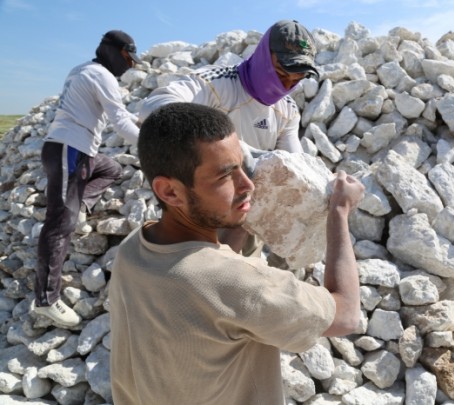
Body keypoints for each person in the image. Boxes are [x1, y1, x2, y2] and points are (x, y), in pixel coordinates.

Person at [109, 103, 364, 404]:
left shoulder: (133, 251)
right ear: (170, 192)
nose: (247, 184)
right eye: (225, 176)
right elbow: (346, 314)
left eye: (243, 166)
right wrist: (339, 211)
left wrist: (240, 210)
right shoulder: (236, 283)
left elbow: (212, 260)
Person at [137, 20, 318, 255]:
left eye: (296, 80)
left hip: (244, 217)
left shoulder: (287, 110)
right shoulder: (218, 84)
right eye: (282, 73)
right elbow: (152, 109)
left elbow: (293, 163)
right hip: (202, 215)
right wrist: (236, 150)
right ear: (263, 56)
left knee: (243, 277)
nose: (285, 86)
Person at [32, 30, 142, 327]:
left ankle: (79, 205)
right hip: (69, 149)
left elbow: (119, 114)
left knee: (112, 169)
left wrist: (140, 123)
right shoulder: (101, 75)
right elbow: (120, 123)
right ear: (114, 51)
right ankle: (46, 300)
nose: (129, 66)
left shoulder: (81, 69)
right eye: (127, 59)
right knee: (59, 224)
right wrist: (151, 145)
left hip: (75, 151)